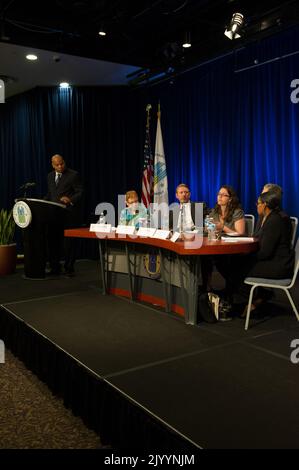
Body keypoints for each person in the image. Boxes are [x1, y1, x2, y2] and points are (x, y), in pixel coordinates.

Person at [229, 191, 294, 315]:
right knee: (237, 262)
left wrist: (246, 255)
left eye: (258, 203)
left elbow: (265, 252)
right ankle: (257, 296)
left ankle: (246, 303)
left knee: (237, 267)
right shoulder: (272, 217)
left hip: (279, 266)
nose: (256, 205)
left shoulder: (275, 220)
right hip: (275, 261)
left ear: (265, 205)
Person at [45, 154, 83, 276]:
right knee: (53, 241)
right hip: (53, 215)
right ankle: (55, 267)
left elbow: (80, 192)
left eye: (62, 163)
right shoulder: (50, 176)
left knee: (69, 243)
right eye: (57, 165)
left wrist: (70, 199)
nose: (60, 166)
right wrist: (43, 201)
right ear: (52, 165)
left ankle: (69, 268)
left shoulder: (73, 175)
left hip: (68, 215)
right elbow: (51, 194)